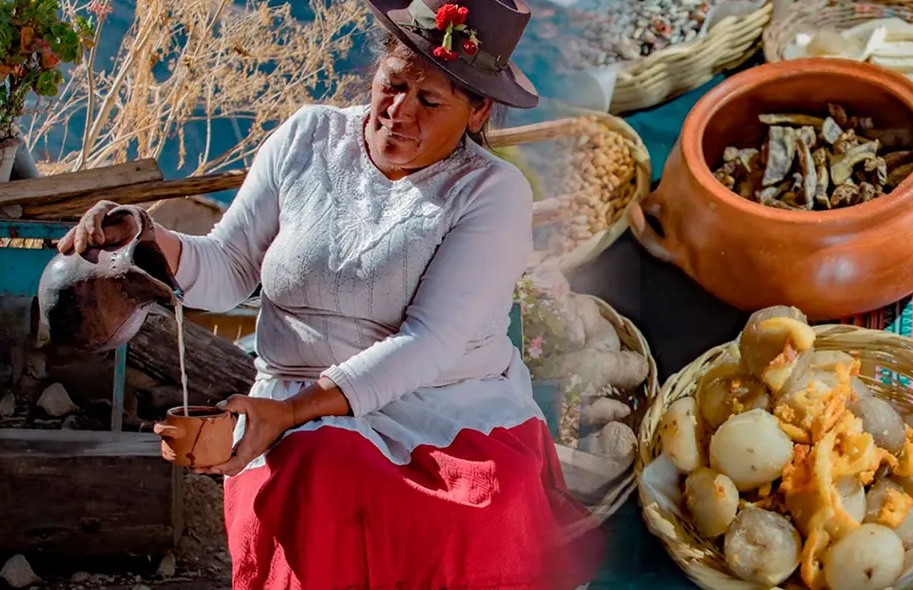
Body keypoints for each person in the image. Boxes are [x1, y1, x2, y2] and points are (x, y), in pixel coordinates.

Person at [58, 0, 604, 588]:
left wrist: (288, 414)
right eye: (393, 85)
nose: (398, 111)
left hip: (440, 411)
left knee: (336, 467)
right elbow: (232, 263)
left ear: (478, 114)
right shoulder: (308, 137)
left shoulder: (491, 192)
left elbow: (429, 342)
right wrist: (147, 234)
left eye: (429, 101)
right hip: (296, 411)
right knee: (318, 462)